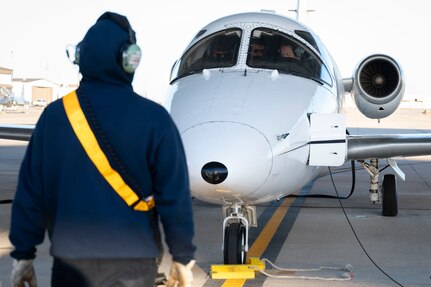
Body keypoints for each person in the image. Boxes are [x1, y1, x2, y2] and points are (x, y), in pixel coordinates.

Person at [9, 11, 196, 287]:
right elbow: (174, 197)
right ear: (129, 58)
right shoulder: (155, 119)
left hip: (70, 264)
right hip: (134, 264)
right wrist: (182, 256)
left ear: (82, 57)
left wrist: (23, 254)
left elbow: (31, 193)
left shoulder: (54, 117)